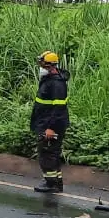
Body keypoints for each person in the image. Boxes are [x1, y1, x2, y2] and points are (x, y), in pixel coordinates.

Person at [31, 51, 70, 193]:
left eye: (42, 63)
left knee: (47, 153)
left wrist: (51, 128)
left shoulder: (56, 84)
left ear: (49, 65)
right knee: (50, 153)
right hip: (45, 123)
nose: (40, 66)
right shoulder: (49, 80)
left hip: (51, 126)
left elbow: (59, 109)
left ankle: (52, 183)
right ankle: (55, 181)